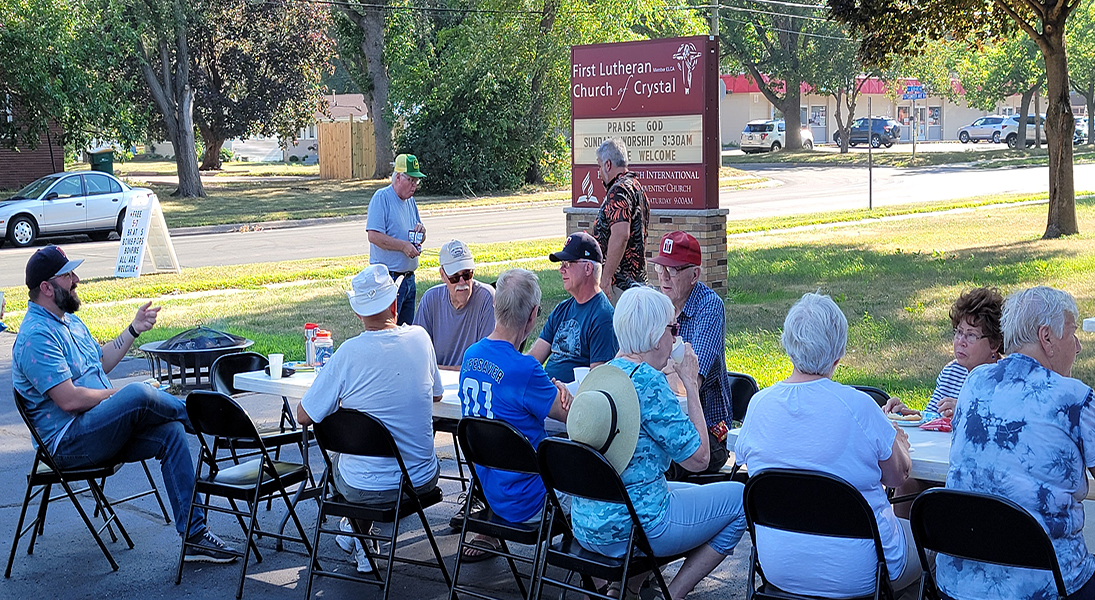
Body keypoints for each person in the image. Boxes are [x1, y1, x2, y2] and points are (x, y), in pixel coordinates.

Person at [12, 245, 237, 563]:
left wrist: (133, 329)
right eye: (68, 275)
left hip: (99, 427)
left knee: (171, 432)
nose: (76, 279)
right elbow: (70, 400)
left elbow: (100, 362)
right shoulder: (37, 335)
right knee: (136, 394)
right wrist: (119, 396)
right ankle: (216, 424)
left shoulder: (69, 322)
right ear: (46, 288)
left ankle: (195, 536)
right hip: (70, 444)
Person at [735, 292, 920, 598]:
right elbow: (898, 476)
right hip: (861, 571)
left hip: (779, 566)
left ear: (787, 344)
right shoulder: (859, 407)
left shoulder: (758, 405)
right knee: (935, 547)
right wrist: (896, 438)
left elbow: (749, 459)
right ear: (839, 351)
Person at [568, 287, 746, 600]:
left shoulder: (602, 375)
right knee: (741, 499)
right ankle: (671, 595)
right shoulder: (648, 383)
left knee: (686, 491)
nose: (674, 338)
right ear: (654, 336)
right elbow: (700, 459)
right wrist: (691, 384)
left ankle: (625, 590)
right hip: (635, 527)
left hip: (587, 523)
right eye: (672, 329)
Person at [939, 286, 1095, 599]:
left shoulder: (974, 383)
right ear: (1047, 337)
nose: (1078, 346)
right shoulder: (1075, 399)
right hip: (1048, 586)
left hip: (958, 586)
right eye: (1073, 333)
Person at [295, 264, 443, 574]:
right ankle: (357, 536)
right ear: (394, 303)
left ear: (359, 313)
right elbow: (436, 396)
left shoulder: (348, 354)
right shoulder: (420, 339)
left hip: (366, 487)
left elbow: (304, 415)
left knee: (346, 461)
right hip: (420, 478)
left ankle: (359, 537)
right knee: (366, 456)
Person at [457, 268, 572, 561]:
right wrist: (561, 391)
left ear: (495, 306)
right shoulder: (525, 370)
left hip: (492, 495)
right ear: (533, 315)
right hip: (532, 501)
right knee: (605, 489)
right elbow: (572, 416)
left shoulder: (471, 356)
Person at [650, 231, 732, 478]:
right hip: (664, 423)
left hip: (707, 433)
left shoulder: (709, 307)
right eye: (660, 267)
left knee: (652, 465)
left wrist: (660, 369)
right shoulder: (656, 304)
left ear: (694, 274)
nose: (663, 276)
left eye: (672, 269)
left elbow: (689, 383)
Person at [883, 287, 1004, 419]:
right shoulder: (951, 372)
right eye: (959, 332)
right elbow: (931, 418)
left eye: (971, 335)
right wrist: (904, 413)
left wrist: (965, 412)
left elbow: (1003, 428)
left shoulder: (1006, 381)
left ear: (994, 343)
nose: (961, 341)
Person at [529, 232, 618, 383]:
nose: (561, 270)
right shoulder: (562, 309)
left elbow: (597, 380)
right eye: (561, 264)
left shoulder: (603, 316)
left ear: (588, 268)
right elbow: (534, 359)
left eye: (568, 263)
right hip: (546, 392)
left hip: (572, 400)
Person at [413, 239, 495, 370]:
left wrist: (437, 369)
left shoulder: (487, 298)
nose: (462, 282)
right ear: (442, 275)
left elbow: (485, 363)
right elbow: (417, 355)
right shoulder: (430, 299)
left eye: (467, 274)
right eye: (454, 277)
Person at [366, 153, 427, 325]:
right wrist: (403, 246)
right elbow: (374, 236)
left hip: (409, 279)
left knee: (405, 332)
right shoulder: (382, 198)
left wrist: (421, 234)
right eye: (411, 180)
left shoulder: (410, 201)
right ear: (398, 177)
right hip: (389, 278)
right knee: (387, 329)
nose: (414, 185)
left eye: (417, 181)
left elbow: (420, 234)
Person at [590, 137, 649, 303]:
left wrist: (606, 278)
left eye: (600, 166)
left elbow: (621, 235)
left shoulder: (618, 191)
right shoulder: (636, 187)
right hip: (637, 282)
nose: (599, 173)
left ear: (608, 165)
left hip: (620, 287)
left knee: (618, 328)